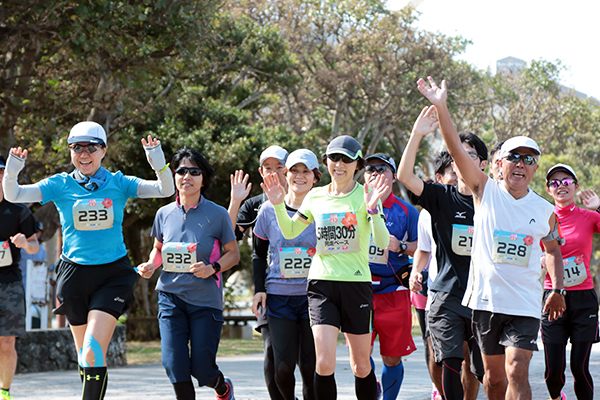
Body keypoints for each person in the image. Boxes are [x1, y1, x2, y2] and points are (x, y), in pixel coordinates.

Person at [417, 76, 566, 400]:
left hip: (524, 303)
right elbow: (456, 149)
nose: (521, 164)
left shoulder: (543, 210)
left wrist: (556, 288)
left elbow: (552, 248)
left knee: (517, 371)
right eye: (514, 157)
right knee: (494, 380)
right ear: (499, 164)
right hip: (486, 302)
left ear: (534, 168)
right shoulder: (484, 190)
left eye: (529, 160)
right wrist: (441, 107)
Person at [3, 121, 174, 400]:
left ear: (103, 150)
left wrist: (158, 163)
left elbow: (164, 189)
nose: (84, 154)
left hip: (112, 275)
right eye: (76, 148)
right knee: (85, 357)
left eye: (91, 148)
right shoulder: (60, 184)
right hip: (73, 275)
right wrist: (11, 173)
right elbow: (14, 195)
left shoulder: (119, 183)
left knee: (94, 350)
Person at [261, 135, 390, 400]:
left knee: (361, 365)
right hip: (321, 285)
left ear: (357, 164)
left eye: (346, 159)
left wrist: (374, 209)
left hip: (356, 286)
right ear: (326, 162)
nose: (339, 164)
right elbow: (289, 231)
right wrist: (277, 204)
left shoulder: (364, 194)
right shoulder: (316, 196)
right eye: (334, 158)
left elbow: (383, 241)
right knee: (323, 364)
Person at [137, 148, 239, 400]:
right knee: (174, 364)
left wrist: (212, 268)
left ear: (203, 179)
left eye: (194, 171)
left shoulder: (218, 214)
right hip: (170, 297)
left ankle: (222, 387)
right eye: (181, 171)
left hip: (205, 302)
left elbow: (233, 254)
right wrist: (151, 264)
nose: (187, 176)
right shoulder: (163, 214)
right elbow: (159, 249)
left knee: (203, 370)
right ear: (174, 176)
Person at [399, 106, 484, 400]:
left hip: (485, 298)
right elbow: (404, 175)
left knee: (487, 373)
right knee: (450, 361)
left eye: (470, 154)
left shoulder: (494, 198)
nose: (462, 158)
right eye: (457, 153)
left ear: (483, 164)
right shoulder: (440, 197)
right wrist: (417, 134)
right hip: (446, 296)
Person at [253, 149, 320, 400]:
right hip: (279, 297)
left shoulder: (323, 209)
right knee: (282, 368)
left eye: (306, 171)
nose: (300, 176)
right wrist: (259, 289)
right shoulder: (268, 211)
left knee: (311, 367)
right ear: (286, 174)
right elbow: (258, 254)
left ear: (315, 176)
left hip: (314, 297)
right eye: (294, 170)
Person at [228, 145, 289, 400]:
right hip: (270, 289)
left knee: (308, 358)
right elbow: (228, 238)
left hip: (308, 290)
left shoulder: (309, 198)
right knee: (271, 353)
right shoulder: (253, 205)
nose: (273, 173)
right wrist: (235, 201)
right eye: (267, 168)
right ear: (260, 171)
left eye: (279, 167)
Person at [363, 153, 418, 400]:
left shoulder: (406, 211)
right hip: (360, 290)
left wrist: (402, 246)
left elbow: (423, 246)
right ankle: (370, 389)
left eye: (382, 169)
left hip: (393, 291)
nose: (375, 173)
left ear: (394, 176)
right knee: (361, 354)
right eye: (370, 169)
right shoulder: (352, 205)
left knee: (391, 356)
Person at [542, 164, 599, 400]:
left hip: (583, 300)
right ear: (548, 190)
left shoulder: (590, 217)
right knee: (553, 372)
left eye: (566, 181)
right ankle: (557, 397)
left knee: (579, 368)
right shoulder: (542, 217)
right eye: (554, 182)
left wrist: (599, 208)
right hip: (553, 297)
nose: (561, 186)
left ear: (575, 186)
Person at [410, 151, 457, 400]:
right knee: (437, 355)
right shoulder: (427, 214)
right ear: (439, 178)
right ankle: (441, 393)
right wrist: (416, 272)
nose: (459, 179)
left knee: (469, 358)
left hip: (475, 294)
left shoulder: (481, 206)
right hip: (439, 294)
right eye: (453, 174)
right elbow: (424, 250)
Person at [0, 154, 39, 400]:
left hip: (9, 282)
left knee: (6, 343)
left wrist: (25, 243)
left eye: (1, 173)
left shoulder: (18, 210)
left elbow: (35, 247)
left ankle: (4, 391)